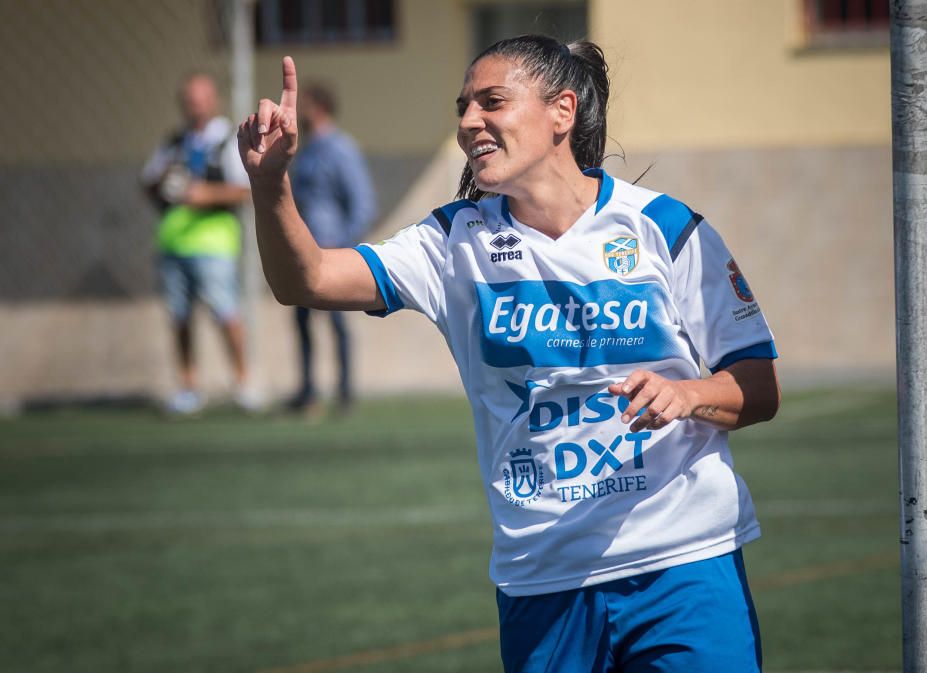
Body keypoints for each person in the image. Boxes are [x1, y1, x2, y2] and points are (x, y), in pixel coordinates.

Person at [238, 36, 780, 673]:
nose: (469, 122)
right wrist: (271, 182)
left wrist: (688, 394)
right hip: (542, 579)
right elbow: (307, 281)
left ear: (562, 112)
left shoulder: (666, 228)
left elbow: (758, 388)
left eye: (492, 102)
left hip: (685, 564)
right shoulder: (452, 241)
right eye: (463, 106)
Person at [141, 72, 255, 414]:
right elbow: (149, 181)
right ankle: (189, 387)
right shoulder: (174, 142)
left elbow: (246, 189)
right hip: (173, 242)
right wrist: (164, 186)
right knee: (180, 318)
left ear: (214, 100)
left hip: (214, 242)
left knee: (226, 314)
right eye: (190, 99)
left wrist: (205, 194)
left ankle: (243, 382)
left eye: (202, 97)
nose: (196, 105)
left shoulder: (227, 141)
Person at [287, 83, 376, 412]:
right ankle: (307, 389)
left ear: (321, 107)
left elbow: (363, 204)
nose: (300, 112)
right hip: (304, 254)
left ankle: (345, 392)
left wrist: (344, 249)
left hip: (332, 253)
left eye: (306, 105)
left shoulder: (341, 149)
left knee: (338, 323)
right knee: (301, 322)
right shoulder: (306, 151)